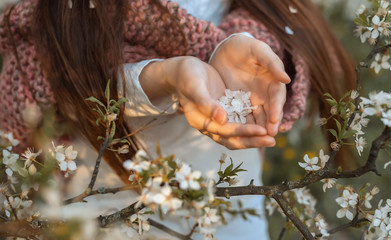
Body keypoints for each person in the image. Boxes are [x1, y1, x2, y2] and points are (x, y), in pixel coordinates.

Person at [0, 0, 356, 239]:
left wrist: (243, 46)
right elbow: (52, 91)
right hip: (102, 208)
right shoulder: (64, 18)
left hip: (228, 211)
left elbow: (279, 22)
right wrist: (166, 77)